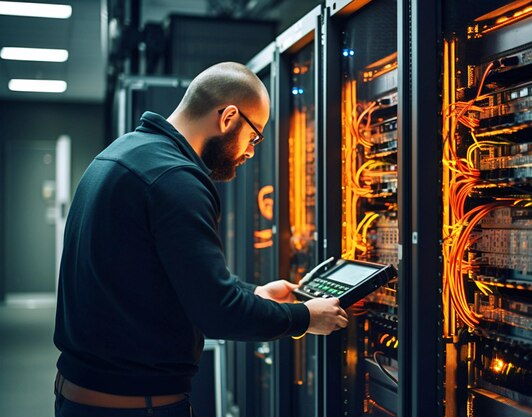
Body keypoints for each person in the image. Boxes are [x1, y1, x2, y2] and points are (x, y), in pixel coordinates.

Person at [53, 62, 349, 417]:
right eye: (254, 137)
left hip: (83, 396)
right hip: (133, 405)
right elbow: (218, 313)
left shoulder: (124, 152)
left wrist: (254, 293)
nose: (251, 151)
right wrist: (304, 317)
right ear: (228, 117)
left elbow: (170, 278)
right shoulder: (176, 179)